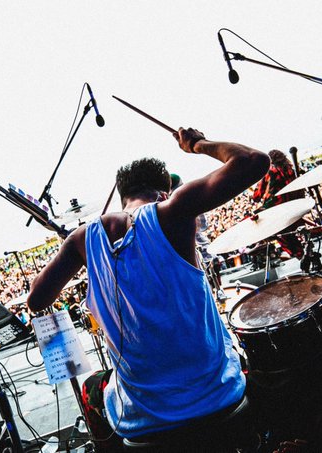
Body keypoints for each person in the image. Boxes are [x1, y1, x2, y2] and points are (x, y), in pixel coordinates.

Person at [27, 127, 269, 452]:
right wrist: (197, 144)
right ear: (164, 193)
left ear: (123, 196)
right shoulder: (174, 211)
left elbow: (37, 299)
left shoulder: (82, 240)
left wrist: (82, 249)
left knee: (92, 387)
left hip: (143, 420)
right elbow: (254, 161)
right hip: (216, 398)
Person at [252, 149, 306, 258]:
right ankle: (300, 253)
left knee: (252, 218)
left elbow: (256, 196)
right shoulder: (292, 170)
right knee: (288, 234)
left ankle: (262, 243)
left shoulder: (270, 171)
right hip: (294, 206)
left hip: (276, 209)